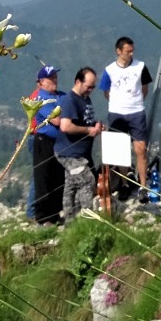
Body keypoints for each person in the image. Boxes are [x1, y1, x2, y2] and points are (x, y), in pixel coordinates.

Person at [99, 36, 152, 198]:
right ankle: (124, 183)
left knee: (140, 149)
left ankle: (143, 186)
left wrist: (136, 102)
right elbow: (106, 92)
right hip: (117, 113)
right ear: (119, 51)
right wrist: (118, 103)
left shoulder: (141, 66)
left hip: (136, 112)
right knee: (120, 150)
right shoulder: (109, 70)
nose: (130, 54)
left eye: (132, 51)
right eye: (127, 51)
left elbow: (145, 88)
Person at [54, 67, 105, 221]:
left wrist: (95, 126)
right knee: (87, 180)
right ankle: (87, 218)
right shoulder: (70, 100)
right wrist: (89, 130)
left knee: (71, 186)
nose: (91, 90)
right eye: (88, 86)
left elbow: (85, 121)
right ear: (78, 82)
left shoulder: (84, 98)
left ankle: (70, 221)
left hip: (80, 152)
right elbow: (65, 126)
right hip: (69, 153)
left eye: (93, 87)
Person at [31, 65, 66, 226]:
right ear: (42, 82)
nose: (55, 81)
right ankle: (43, 217)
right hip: (43, 142)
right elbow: (56, 120)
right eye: (51, 78)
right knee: (43, 178)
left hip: (59, 142)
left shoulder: (61, 96)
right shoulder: (40, 98)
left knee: (58, 178)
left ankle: (54, 213)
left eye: (55, 77)